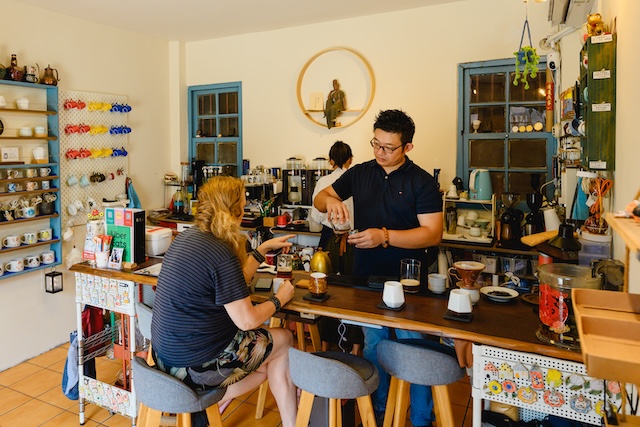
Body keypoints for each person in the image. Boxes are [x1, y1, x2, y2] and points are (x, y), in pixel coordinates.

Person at [314, 109, 443, 427]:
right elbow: (320, 197)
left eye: (388, 147)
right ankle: (379, 414)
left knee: (414, 349)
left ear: (407, 148)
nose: (380, 152)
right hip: (367, 276)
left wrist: (384, 236)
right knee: (374, 346)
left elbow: (432, 233)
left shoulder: (422, 182)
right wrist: (330, 201)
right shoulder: (361, 173)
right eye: (375, 143)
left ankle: (422, 419)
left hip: (410, 280)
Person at [150, 176, 298, 427]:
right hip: (197, 366)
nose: (246, 205)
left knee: (264, 364)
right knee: (284, 340)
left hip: (165, 359)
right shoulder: (221, 250)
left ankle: (211, 405)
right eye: (243, 202)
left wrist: (259, 252)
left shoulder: (188, 238)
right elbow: (247, 320)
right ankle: (293, 423)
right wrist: (280, 298)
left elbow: (232, 282)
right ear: (236, 212)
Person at [309, 141, 363, 355]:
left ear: (330, 160)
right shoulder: (357, 179)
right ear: (350, 159)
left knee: (324, 289)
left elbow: (316, 214)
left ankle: (325, 344)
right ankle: (356, 347)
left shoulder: (324, 181)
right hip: (354, 238)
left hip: (330, 237)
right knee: (355, 292)